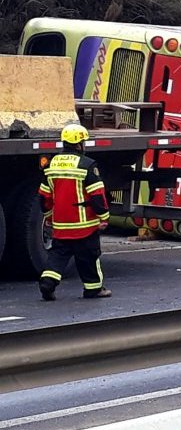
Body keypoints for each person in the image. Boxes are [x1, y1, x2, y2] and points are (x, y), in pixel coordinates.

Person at [37, 124, 112, 300]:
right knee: (89, 257)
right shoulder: (87, 165)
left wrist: (48, 216)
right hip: (84, 225)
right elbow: (97, 195)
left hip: (61, 225)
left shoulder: (51, 164)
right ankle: (93, 289)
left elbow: (43, 196)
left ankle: (47, 283)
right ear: (79, 144)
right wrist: (104, 217)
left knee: (57, 255)